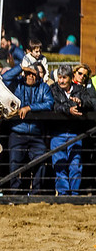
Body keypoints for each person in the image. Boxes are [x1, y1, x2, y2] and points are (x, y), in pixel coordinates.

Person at [8, 63, 53, 194]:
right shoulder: (17, 85)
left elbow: (49, 103)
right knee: (14, 164)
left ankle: (36, 194)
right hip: (17, 131)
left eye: (33, 74)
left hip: (36, 133)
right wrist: (21, 68)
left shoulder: (43, 87)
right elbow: (4, 78)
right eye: (28, 73)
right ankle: (14, 194)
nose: (31, 77)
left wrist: (29, 108)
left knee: (40, 161)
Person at [49, 65, 91, 195]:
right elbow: (53, 105)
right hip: (58, 133)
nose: (61, 81)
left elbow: (90, 102)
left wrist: (80, 102)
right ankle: (63, 195)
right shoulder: (53, 89)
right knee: (59, 165)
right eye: (59, 78)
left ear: (70, 78)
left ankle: (74, 195)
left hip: (75, 133)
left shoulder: (80, 89)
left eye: (64, 78)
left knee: (75, 166)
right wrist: (68, 109)